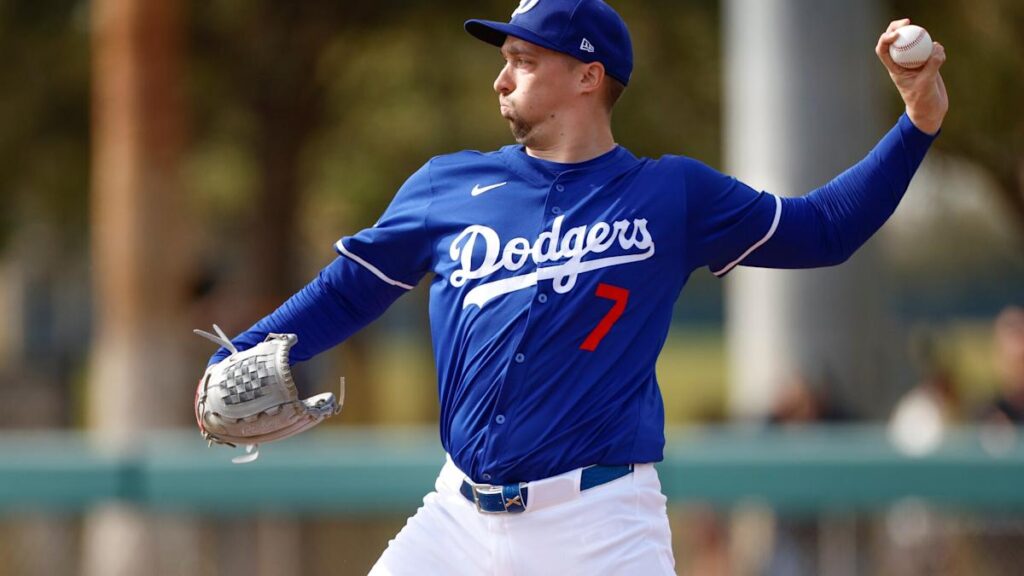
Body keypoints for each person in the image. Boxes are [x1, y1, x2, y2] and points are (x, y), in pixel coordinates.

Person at [199, 1, 948, 573]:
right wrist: (248, 350)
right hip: (455, 521)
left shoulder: (670, 196)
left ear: (588, 75)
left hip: (599, 526)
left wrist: (915, 123)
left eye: (524, 59)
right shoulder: (447, 186)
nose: (500, 76)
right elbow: (348, 291)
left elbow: (823, 229)